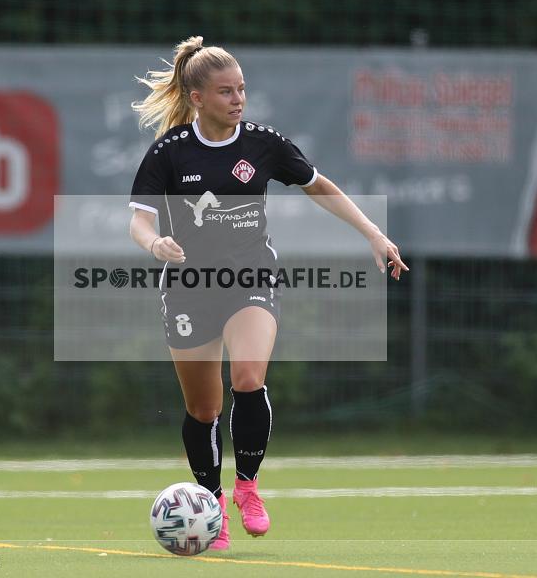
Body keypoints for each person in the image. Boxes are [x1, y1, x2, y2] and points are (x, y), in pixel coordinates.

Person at [128, 36, 408, 551]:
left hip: (251, 275)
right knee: (204, 411)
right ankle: (210, 506)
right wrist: (156, 243)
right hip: (189, 288)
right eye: (225, 92)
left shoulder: (262, 143)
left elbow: (318, 184)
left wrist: (373, 233)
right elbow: (139, 220)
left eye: (242, 90)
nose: (237, 100)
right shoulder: (169, 152)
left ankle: (247, 487)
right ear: (196, 98)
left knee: (249, 376)